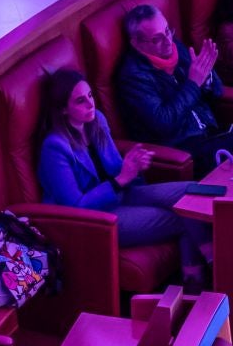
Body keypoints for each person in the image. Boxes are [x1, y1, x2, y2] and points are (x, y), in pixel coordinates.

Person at [32, 68, 213, 288]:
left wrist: (134, 166)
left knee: (192, 192)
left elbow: (116, 169)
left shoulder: (96, 120)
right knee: (182, 217)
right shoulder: (54, 148)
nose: (91, 104)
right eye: (80, 101)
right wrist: (120, 180)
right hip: (97, 219)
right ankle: (201, 281)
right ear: (62, 110)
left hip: (122, 195)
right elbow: (75, 207)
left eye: (90, 96)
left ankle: (213, 266)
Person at [113, 5, 233, 168]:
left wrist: (206, 77)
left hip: (211, 132)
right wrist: (193, 83)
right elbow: (163, 122)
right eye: (157, 39)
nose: (168, 41)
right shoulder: (133, 77)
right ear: (136, 44)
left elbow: (218, 91)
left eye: (167, 31)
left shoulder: (175, 47)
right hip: (182, 150)